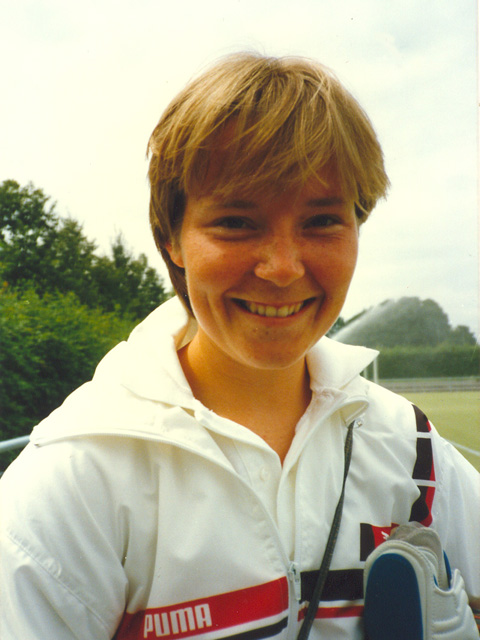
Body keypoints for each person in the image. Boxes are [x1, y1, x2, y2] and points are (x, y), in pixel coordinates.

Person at [1, 52, 479, 640]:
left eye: (322, 221)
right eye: (235, 222)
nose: (282, 267)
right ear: (171, 239)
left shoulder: (415, 451)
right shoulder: (74, 480)